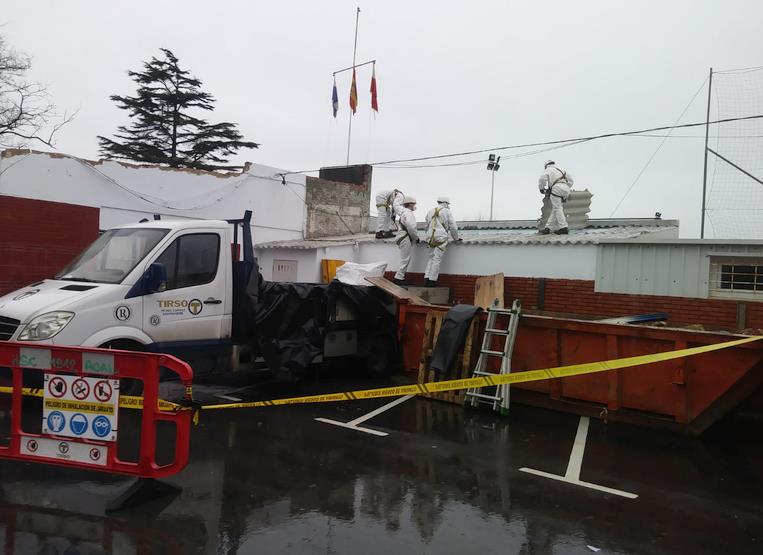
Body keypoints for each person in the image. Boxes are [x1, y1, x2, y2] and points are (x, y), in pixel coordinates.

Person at [423, 197, 459, 287]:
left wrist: (428, 235)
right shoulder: (447, 211)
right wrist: (456, 238)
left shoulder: (430, 210)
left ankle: (426, 279)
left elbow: (426, 225)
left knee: (431, 258)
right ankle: (432, 281)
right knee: (437, 259)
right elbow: (453, 227)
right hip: (440, 238)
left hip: (430, 238)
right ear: (446, 203)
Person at [538, 160, 574, 235]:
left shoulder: (548, 170)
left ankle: (563, 227)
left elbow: (542, 179)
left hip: (556, 188)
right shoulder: (562, 170)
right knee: (556, 208)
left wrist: (541, 188)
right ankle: (547, 228)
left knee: (558, 208)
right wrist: (565, 188)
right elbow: (571, 181)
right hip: (566, 189)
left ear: (546, 166)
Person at [393, 196, 420, 285]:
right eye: (414, 204)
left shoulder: (404, 212)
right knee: (405, 259)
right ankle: (399, 278)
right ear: (410, 204)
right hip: (405, 237)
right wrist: (416, 238)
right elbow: (411, 227)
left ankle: (399, 277)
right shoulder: (408, 213)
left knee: (405, 258)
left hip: (402, 236)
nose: (414, 206)